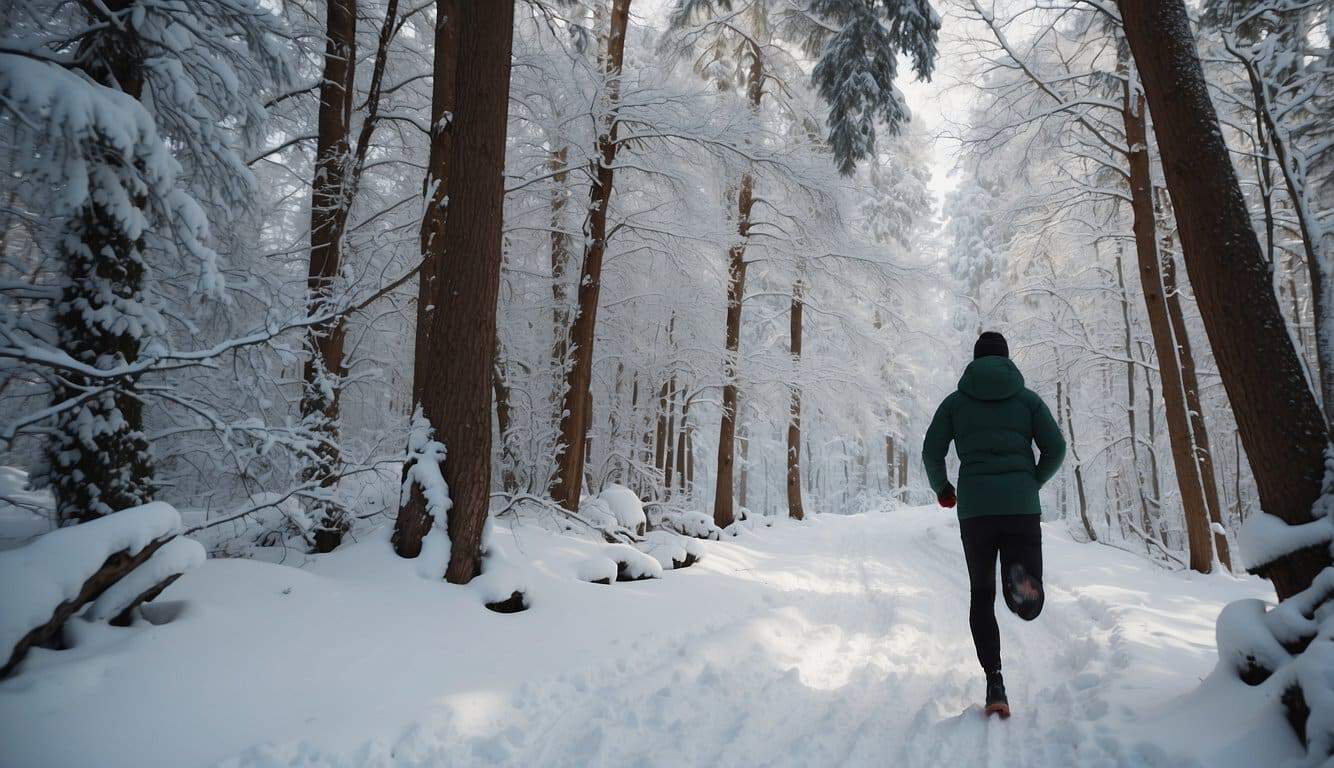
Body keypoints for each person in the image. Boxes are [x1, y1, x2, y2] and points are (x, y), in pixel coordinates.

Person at [921, 331, 1066, 719]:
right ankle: (1022, 588)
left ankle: (995, 680)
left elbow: (931, 450)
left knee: (981, 595)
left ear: (974, 362)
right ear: (1006, 361)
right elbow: (1056, 447)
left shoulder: (955, 404)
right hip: (1020, 507)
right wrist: (1031, 480)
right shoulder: (1027, 401)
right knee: (1023, 591)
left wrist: (943, 489)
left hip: (976, 511)